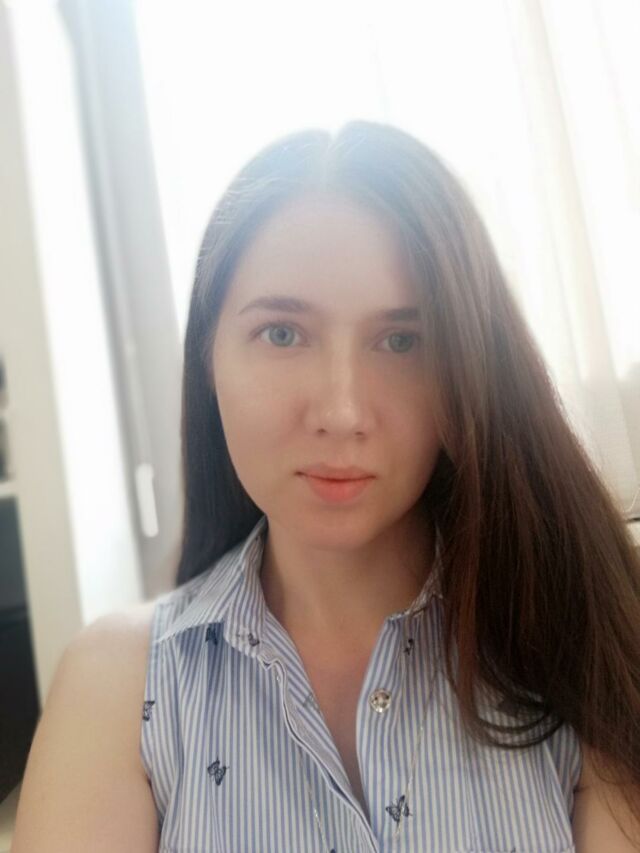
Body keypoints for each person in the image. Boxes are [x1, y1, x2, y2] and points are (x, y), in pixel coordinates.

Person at [11, 122, 640, 852]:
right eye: (282, 334)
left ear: (470, 370)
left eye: (401, 341)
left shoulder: (584, 637)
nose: (341, 412)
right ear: (208, 358)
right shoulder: (120, 687)